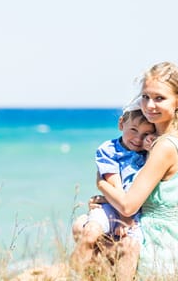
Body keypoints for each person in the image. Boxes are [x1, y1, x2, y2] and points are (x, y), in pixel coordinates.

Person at [96, 61, 178, 279]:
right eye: (145, 97)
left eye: (159, 98)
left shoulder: (164, 147)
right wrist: (107, 200)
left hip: (156, 247)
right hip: (177, 245)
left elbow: (128, 205)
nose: (149, 105)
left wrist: (102, 183)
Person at [70, 105, 156, 278]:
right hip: (113, 206)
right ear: (121, 123)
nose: (138, 139)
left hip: (137, 213)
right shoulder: (109, 150)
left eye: (146, 134)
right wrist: (124, 217)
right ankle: (73, 272)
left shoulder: (149, 153)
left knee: (130, 247)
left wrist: (151, 147)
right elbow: (114, 184)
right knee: (91, 232)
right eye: (133, 130)